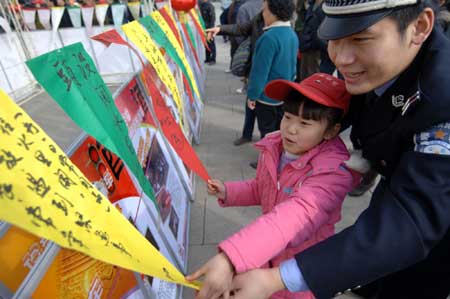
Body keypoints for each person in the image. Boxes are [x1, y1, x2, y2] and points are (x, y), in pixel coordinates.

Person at [222, 0, 450, 298]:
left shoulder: (442, 101)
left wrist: (278, 278)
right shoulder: (385, 62)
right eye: (334, 38)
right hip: (395, 175)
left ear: (419, 27)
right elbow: (335, 111)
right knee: (376, 266)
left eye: (361, 38)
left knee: (409, 281)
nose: (341, 58)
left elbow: (409, 221)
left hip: (435, 213)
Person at [186, 73, 358, 299]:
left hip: (301, 270)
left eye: (305, 123)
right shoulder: (275, 148)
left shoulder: (332, 172)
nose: (291, 129)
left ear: (331, 131)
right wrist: (229, 191)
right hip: (267, 252)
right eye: (287, 117)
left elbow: (294, 216)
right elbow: (262, 188)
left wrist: (232, 257)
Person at [207, 12, 265, 146]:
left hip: (267, 77)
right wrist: (220, 29)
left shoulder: (279, 31)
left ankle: (266, 149)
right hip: (254, 69)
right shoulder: (259, 17)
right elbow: (241, 28)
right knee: (250, 104)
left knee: (265, 116)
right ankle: (247, 135)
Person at [200, 0, 216, 65]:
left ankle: (213, 59)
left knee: (211, 43)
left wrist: (211, 30)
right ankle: (208, 58)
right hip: (204, 28)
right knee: (206, 43)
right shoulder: (201, 5)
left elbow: (212, 18)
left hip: (209, 27)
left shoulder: (210, 6)